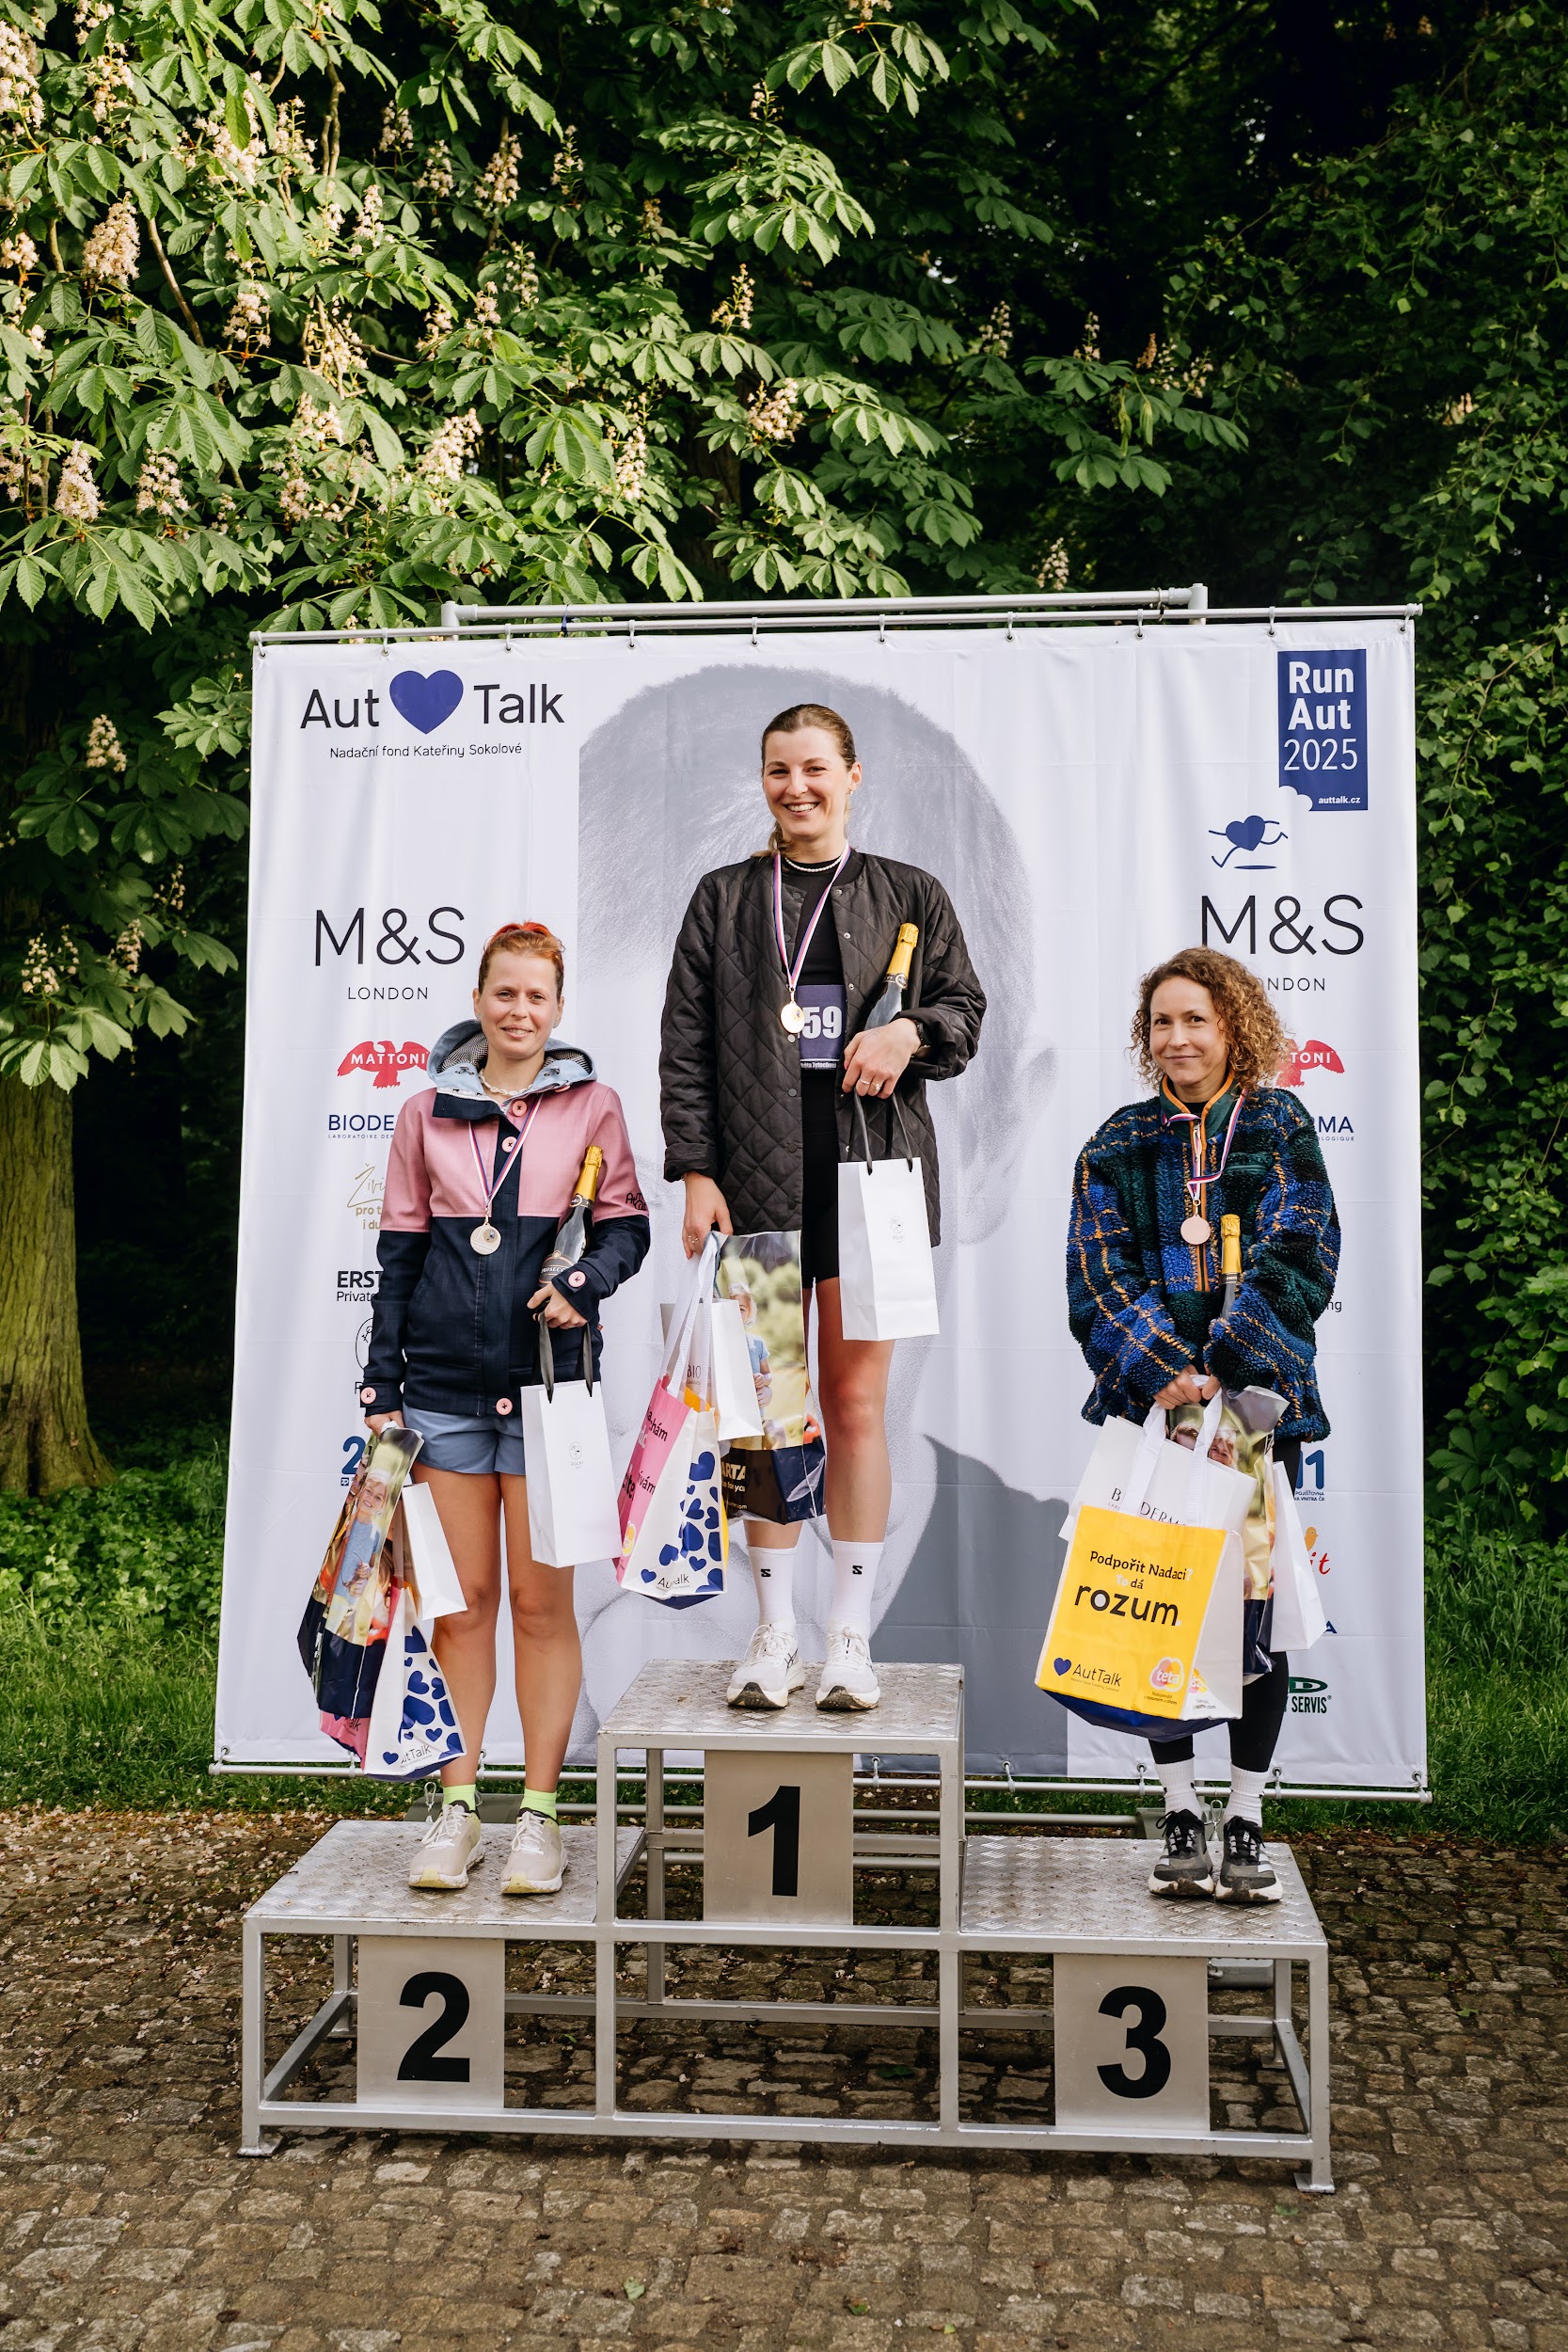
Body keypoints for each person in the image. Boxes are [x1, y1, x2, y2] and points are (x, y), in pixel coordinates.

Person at [660, 702, 986, 1710]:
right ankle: (773, 1631)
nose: (794, 787)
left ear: (851, 776)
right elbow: (684, 1045)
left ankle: (848, 1632)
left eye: (813, 768)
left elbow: (964, 1013)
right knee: (764, 1412)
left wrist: (908, 1034)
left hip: (874, 1186)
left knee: (851, 1407)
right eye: (777, 770)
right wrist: (696, 1169)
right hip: (755, 1187)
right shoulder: (723, 897)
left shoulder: (909, 892)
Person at [360, 922, 650, 1892]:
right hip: (442, 1396)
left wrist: (584, 1283)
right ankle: (456, 1810)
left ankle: (538, 1816)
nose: (519, 1010)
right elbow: (398, 1258)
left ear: (558, 1009)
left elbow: (626, 1228)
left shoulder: (592, 1104)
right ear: (478, 1000)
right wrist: (381, 1385)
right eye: (504, 993)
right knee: (462, 1607)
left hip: (548, 1391)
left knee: (538, 1604)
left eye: (536, 996)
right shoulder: (424, 1112)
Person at [1066, 945, 1338, 1903]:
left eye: (1195, 1019)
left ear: (1233, 1026)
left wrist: (1223, 1362)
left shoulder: (1276, 1123)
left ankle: (1247, 1815)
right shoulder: (1116, 1141)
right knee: (1154, 1601)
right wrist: (1160, 1370)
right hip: (1154, 1414)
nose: (1176, 1038)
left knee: (1253, 1609)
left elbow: (1300, 1248)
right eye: (1161, 1022)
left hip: (1252, 1411)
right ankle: (1180, 1808)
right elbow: (1096, 1274)